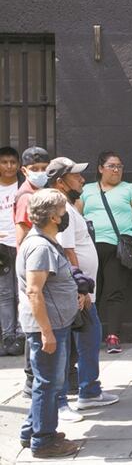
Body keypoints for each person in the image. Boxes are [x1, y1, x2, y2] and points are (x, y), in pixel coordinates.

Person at [46, 158, 119, 417]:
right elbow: (67, 251)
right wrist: (80, 288)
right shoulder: (60, 209)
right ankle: (61, 401)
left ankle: (89, 391)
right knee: (66, 345)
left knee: (89, 336)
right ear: (60, 183)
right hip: (75, 292)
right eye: (75, 176)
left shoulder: (69, 206)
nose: (81, 180)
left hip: (84, 291)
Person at [17, 188, 87, 458]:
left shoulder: (45, 242)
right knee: (48, 383)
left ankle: (31, 431)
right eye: (62, 211)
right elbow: (34, 291)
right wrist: (47, 332)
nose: (66, 214)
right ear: (54, 218)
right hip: (48, 327)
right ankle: (43, 441)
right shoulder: (40, 247)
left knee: (46, 382)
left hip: (54, 324)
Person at [80, 151, 132, 354]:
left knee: (115, 291)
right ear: (100, 168)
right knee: (90, 291)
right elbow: (75, 214)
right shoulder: (87, 190)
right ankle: (88, 336)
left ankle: (113, 336)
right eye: (112, 166)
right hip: (90, 247)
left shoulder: (130, 189)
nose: (116, 170)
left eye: (119, 166)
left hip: (119, 248)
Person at [13, 146, 51, 396]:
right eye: (34, 169)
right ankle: (31, 379)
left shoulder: (40, 192)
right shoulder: (27, 196)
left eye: (44, 168)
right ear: (24, 170)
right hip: (32, 267)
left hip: (38, 264)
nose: (40, 172)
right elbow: (21, 235)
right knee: (34, 322)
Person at [0, 146, 20, 354]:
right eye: (4, 162)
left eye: (12, 162)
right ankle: (8, 336)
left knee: (22, 290)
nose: (9, 166)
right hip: (2, 247)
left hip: (22, 243)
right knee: (4, 293)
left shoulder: (23, 187)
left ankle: (22, 335)